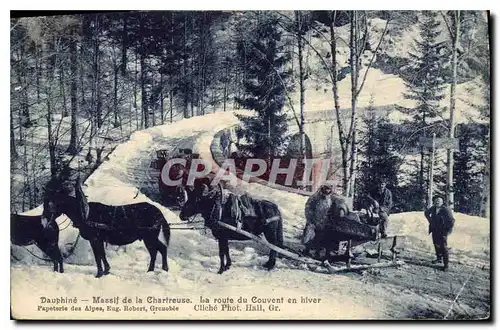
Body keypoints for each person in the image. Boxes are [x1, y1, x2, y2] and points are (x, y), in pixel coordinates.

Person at [302, 184, 333, 258]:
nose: (327, 190)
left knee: (319, 237)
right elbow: (308, 208)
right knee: (309, 236)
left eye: (329, 189)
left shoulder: (329, 198)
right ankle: (306, 250)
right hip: (313, 220)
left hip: (322, 221)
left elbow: (328, 209)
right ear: (323, 188)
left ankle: (317, 253)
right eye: (326, 188)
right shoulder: (315, 197)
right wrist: (310, 219)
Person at [424, 197, 455, 271]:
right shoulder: (433, 208)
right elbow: (426, 213)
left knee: (443, 247)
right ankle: (439, 259)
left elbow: (452, 220)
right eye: (436, 201)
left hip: (442, 231)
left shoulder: (445, 209)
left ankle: (446, 265)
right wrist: (430, 221)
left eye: (439, 201)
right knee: (436, 244)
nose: (437, 202)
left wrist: (447, 229)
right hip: (435, 229)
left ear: (442, 202)